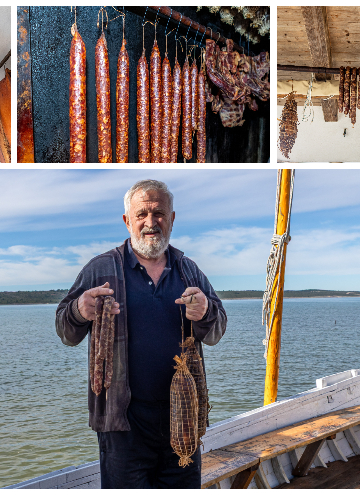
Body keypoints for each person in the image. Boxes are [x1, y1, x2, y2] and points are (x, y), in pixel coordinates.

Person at [56, 179, 227, 489]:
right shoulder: (101, 269)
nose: (151, 223)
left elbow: (216, 331)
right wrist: (80, 309)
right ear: (127, 221)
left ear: (172, 219)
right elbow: (66, 331)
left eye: (159, 213)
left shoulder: (189, 270)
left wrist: (205, 313)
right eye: (142, 214)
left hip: (184, 415)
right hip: (122, 423)